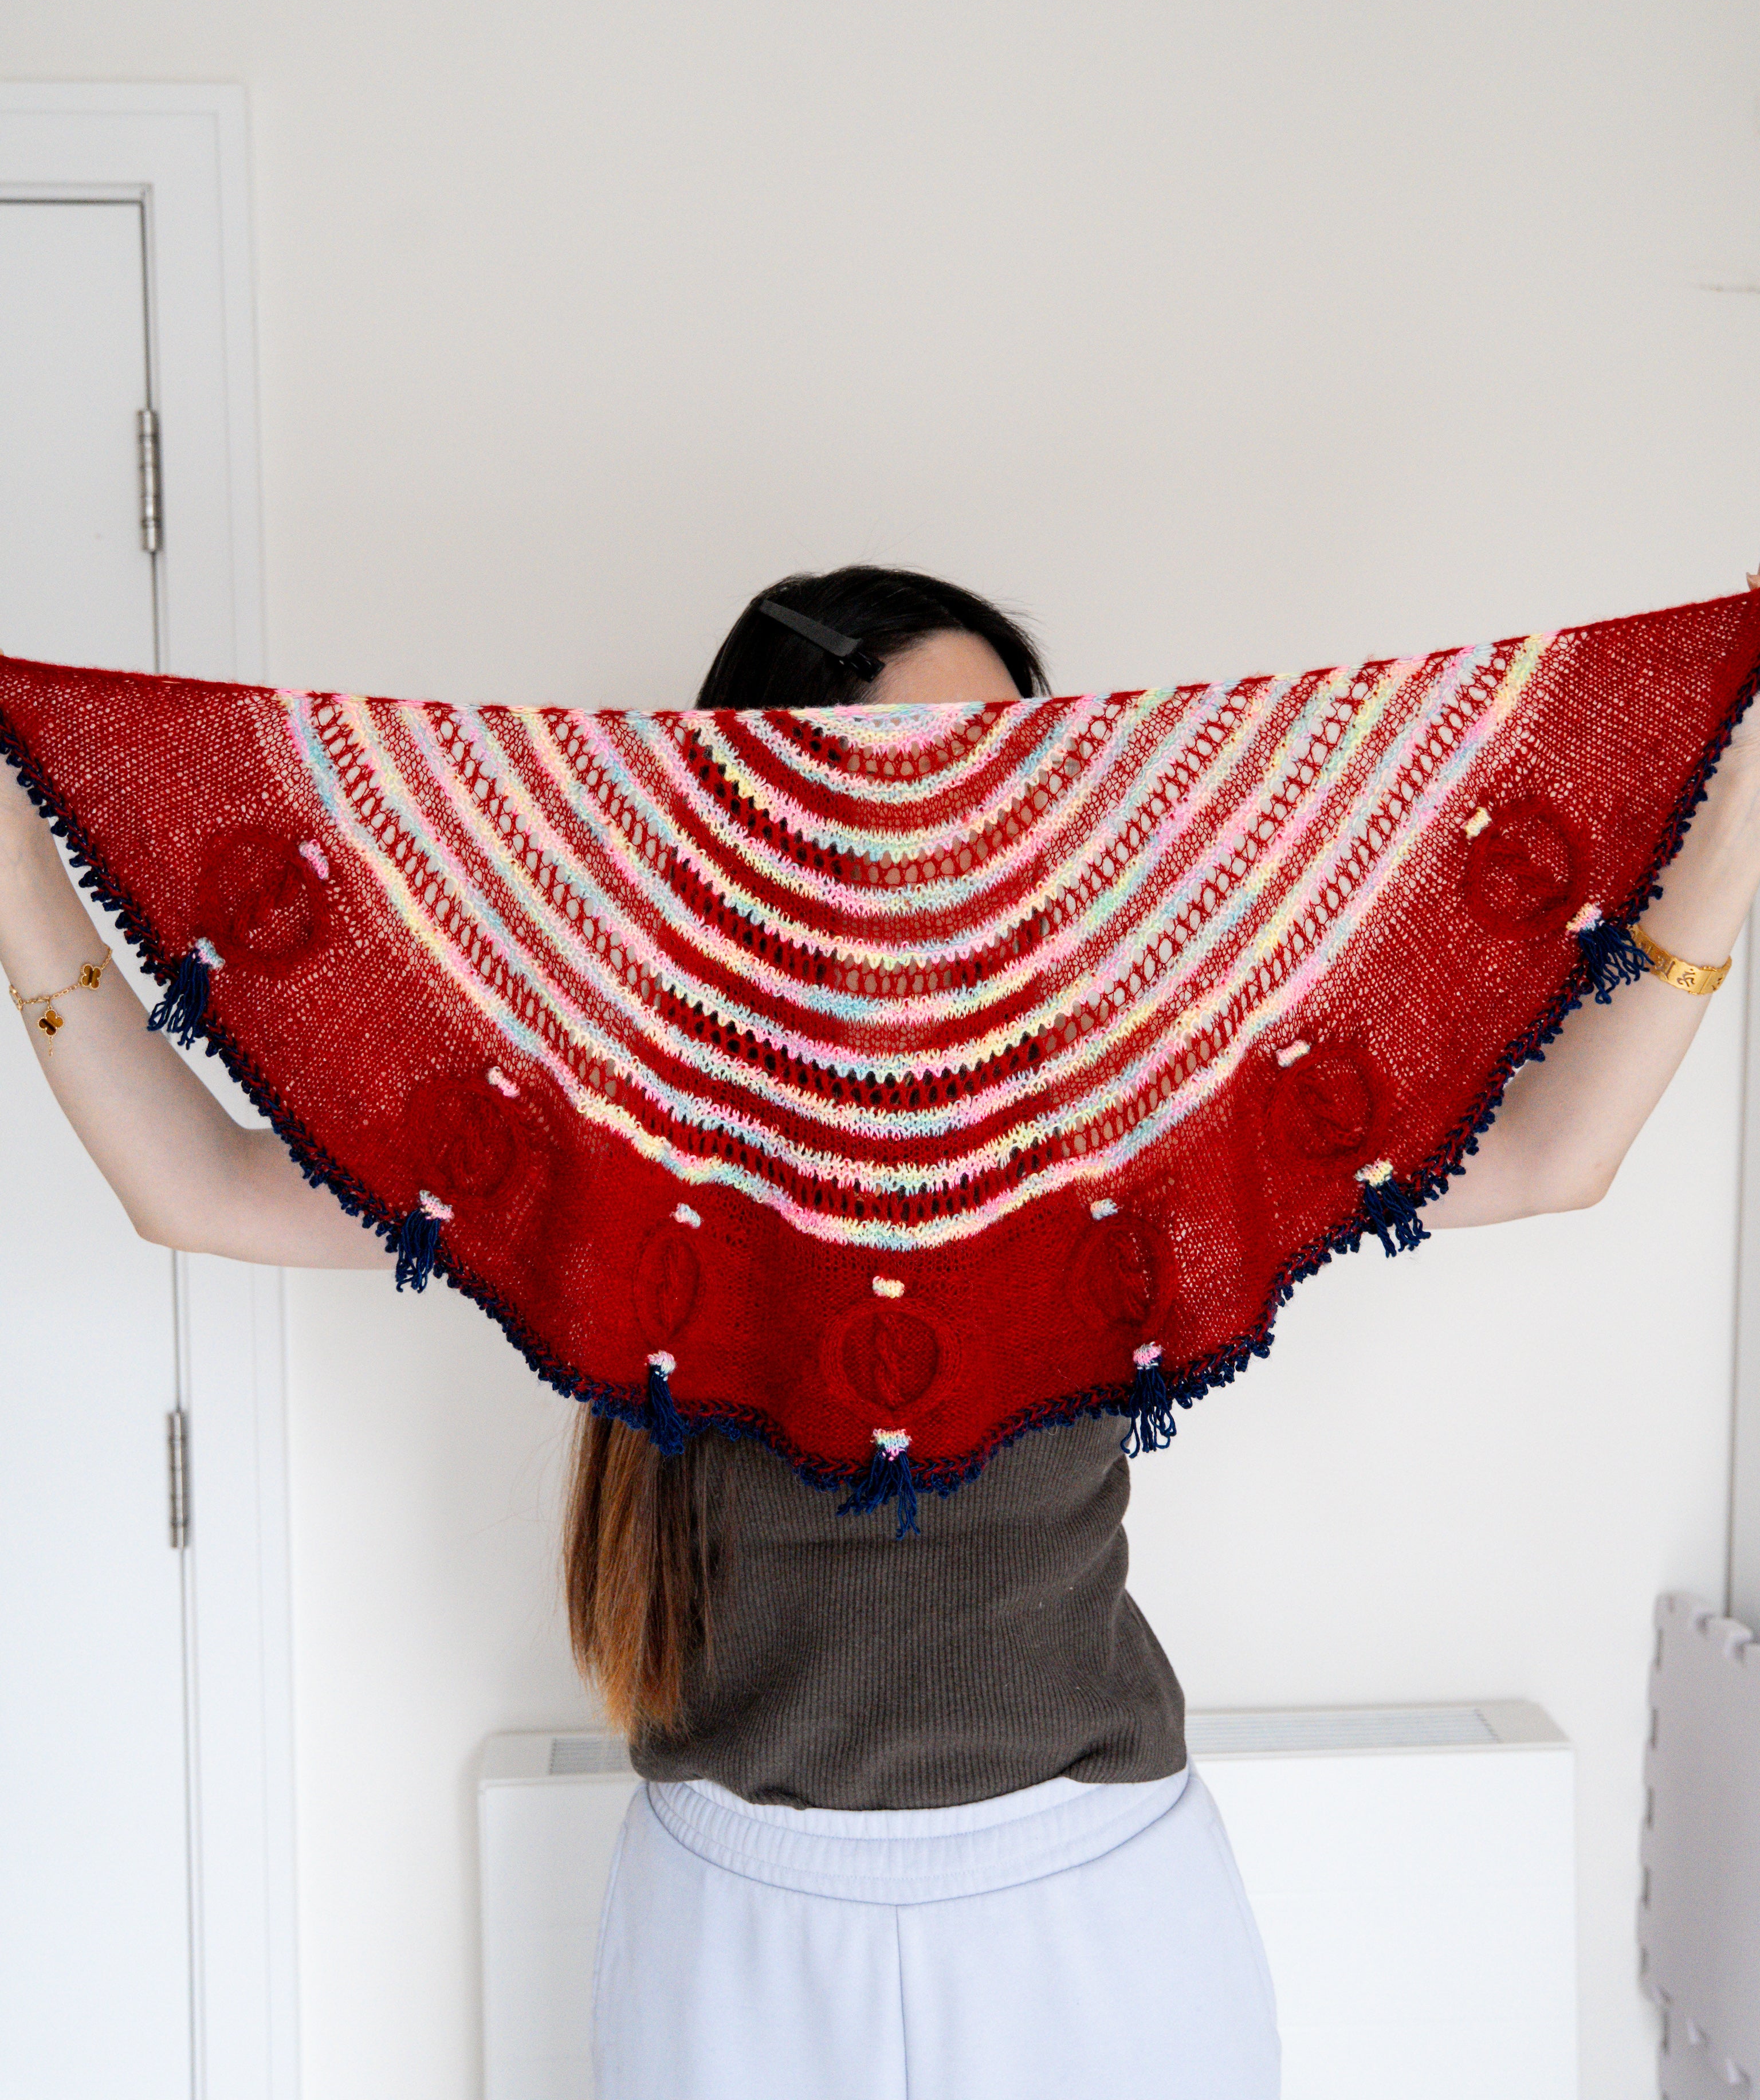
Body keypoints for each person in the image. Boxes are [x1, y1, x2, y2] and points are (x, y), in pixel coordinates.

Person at [5, 564, 1758, 2100]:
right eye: (930, 771)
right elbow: (201, 1189)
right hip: (736, 1931)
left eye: (1021, 768)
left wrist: (1743, 770)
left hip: (1097, 1909)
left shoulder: (1141, 1094)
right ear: (767, 804)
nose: (980, 818)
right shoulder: (607, 1124)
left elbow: (1553, 1155)